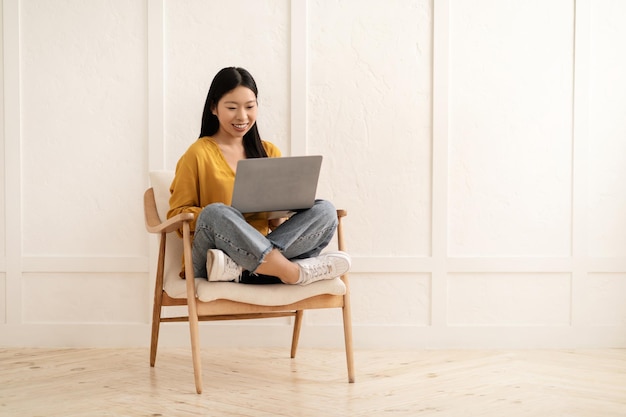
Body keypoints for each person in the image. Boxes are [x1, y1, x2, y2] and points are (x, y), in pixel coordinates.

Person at [167, 67, 351, 285]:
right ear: (214, 108)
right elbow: (176, 216)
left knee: (325, 210)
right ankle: (294, 273)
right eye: (232, 107)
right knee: (215, 212)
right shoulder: (197, 153)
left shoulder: (269, 152)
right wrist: (231, 220)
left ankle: (245, 269)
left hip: (239, 262)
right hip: (214, 258)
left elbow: (276, 223)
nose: (242, 116)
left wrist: (283, 210)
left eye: (249, 107)